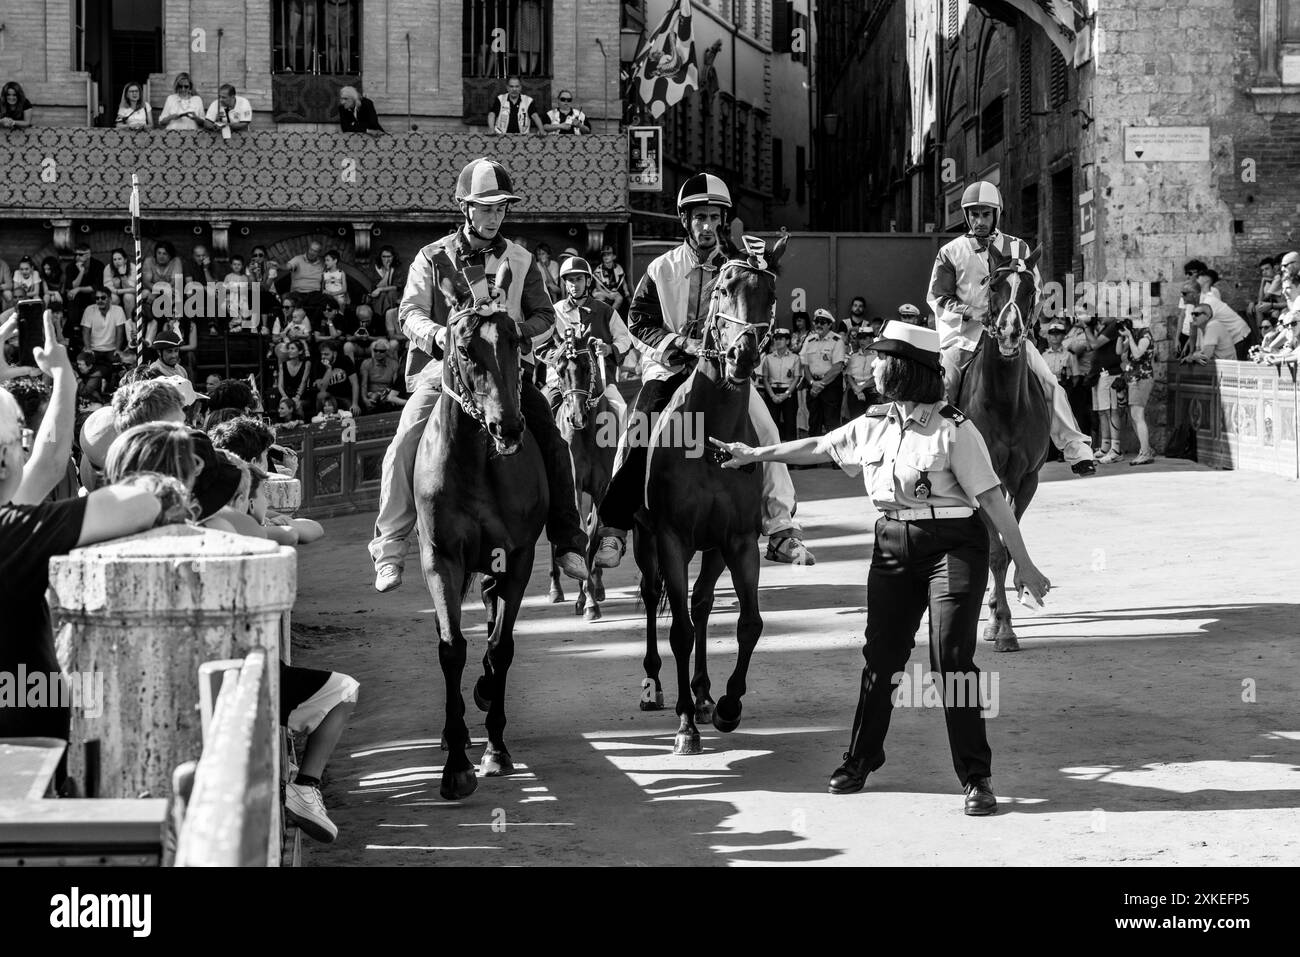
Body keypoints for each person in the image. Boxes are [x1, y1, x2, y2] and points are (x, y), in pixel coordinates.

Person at [709, 320, 1051, 815]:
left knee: (950, 660)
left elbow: (995, 501)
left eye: (881, 360)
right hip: (892, 543)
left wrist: (1026, 565)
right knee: (882, 659)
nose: (872, 366)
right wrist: (753, 454)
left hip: (953, 545)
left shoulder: (955, 428)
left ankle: (976, 776)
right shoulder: (873, 423)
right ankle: (861, 758)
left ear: (904, 371)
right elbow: (818, 446)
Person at [368, 157, 590, 591]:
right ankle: (391, 548)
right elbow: (409, 312)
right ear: (464, 208)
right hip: (445, 374)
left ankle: (567, 541)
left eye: (501, 207)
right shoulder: (431, 257)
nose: (495, 215)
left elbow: (545, 314)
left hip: (507, 376)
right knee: (405, 440)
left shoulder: (522, 258)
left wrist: (516, 335)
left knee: (552, 437)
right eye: (486, 207)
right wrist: (440, 338)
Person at [592, 171, 813, 568]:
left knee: (766, 428)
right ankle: (613, 526)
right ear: (685, 220)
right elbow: (638, 319)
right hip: (669, 370)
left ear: (722, 221)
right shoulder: (661, 268)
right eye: (700, 218)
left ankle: (780, 528)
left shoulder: (736, 268)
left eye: (714, 218)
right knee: (636, 427)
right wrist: (681, 344)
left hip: (722, 375)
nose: (708, 226)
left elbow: (752, 314)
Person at [0, 311, 161, 773]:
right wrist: (63, 377)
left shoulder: (14, 524)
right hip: (23, 748)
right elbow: (141, 500)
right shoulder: (14, 531)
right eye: (17, 445)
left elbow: (47, 463)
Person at [927, 180, 1095, 476]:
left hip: (1013, 335)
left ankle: (1075, 447)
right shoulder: (950, 251)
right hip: (965, 338)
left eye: (986, 214)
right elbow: (938, 298)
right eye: (974, 215)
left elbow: (1037, 291)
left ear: (997, 214)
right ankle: (934, 454)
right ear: (967, 217)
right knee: (946, 385)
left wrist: (1023, 324)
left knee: (1048, 381)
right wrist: (973, 311)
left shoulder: (1019, 247)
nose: (980, 221)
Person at [540, 255, 629, 426]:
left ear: (588, 281)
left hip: (600, 382)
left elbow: (624, 339)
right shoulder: (553, 312)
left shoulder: (606, 311)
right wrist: (559, 353)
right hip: (562, 382)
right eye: (570, 280)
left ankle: (623, 453)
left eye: (579, 279)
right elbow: (541, 345)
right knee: (543, 414)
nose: (574, 284)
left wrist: (609, 349)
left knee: (622, 411)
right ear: (565, 284)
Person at [801, 308, 845, 442]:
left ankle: (834, 461)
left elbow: (837, 367)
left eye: (823, 322)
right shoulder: (809, 340)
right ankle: (812, 461)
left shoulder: (837, 340)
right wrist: (812, 383)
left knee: (832, 424)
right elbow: (805, 365)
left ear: (829, 324)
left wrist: (820, 385)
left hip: (830, 387)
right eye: (817, 321)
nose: (819, 324)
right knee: (814, 423)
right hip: (813, 384)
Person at [1117, 316, 1155, 466]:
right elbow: (1119, 351)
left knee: (1137, 415)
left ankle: (1145, 453)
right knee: (1134, 416)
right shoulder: (1134, 334)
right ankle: (1146, 449)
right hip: (1132, 378)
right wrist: (1121, 336)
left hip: (1142, 378)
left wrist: (1130, 337)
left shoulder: (1145, 335)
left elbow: (1138, 353)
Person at [758, 328, 801, 442]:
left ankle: (791, 451)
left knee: (790, 422)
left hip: (789, 392)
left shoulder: (795, 358)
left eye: (781, 338)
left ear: (787, 341)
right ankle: (773, 449)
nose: (777, 341)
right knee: (772, 422)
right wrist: (772, 396)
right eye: (775, 339)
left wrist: (785, 395)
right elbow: (765, 379)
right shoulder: (768, 358)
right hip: (772, 392)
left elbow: (796, 379)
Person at [81, 288, 128, 376]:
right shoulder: (89, 309)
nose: (99, 300)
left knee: (119, 364)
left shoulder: (118, 310)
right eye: (97, 298)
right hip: (93, 349)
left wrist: (117, 349)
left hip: (111, 349)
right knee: (83, 362)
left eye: (103, 298)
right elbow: (85, 332)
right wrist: (88, 349)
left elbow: (120, 332)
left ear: (110, 299)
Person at [843, 326, 879, 420]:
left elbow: (877, 376)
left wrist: (861, 388)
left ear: (871, 339)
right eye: (860, 338)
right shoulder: (854, 356)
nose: (862, 341)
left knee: (872, 420)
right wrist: (857, 389)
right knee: (855, 419)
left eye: (865, 338)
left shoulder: (877, 356)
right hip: (855, 390)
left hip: (872, 390)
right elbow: (849, 375)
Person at [592, 245, 631, 315]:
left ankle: (610, 315)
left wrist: (627, 294)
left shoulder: (618, 268)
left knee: (619, 298)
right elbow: (598, 287)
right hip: (601, 292)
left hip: (613, 291)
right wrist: (608, 295)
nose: (606, 257)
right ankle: (601, 316)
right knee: (599, 299)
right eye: (604, 255)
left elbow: (623, 282)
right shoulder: (599, 269)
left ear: (614, 256)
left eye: (608, 254)